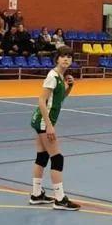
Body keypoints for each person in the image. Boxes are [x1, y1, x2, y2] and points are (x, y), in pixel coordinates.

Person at [29, 46, 80, 211]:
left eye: (69, 57)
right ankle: (60, 198)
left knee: (42, 156)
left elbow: (58, 99)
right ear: (57, 58)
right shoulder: (52, 76)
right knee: (57, 158)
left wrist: (69, 87)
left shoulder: (60, 77)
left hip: (40, 121)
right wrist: (49, 126)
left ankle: (36, 194)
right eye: (63, 56)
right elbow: (41, 101)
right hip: (44, 122)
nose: (66, 59)